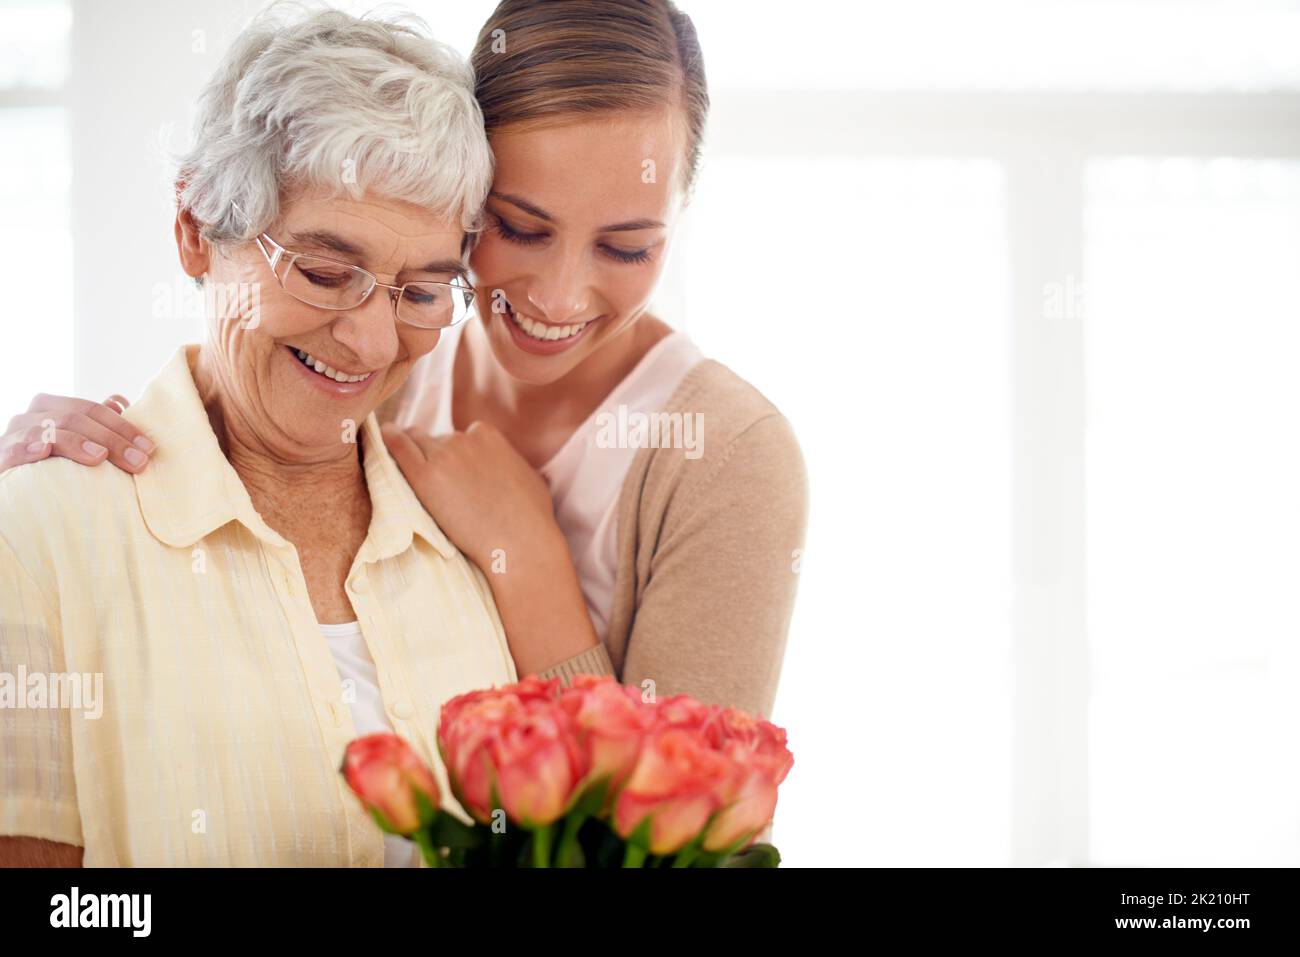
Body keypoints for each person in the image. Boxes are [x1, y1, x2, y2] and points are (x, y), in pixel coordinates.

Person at [1, 0, 808, 723]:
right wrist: (65, 468)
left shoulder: (727, 456)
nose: (560, 298)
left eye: (627, 245)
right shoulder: (384, 368)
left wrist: (530, 572)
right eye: (519, 229)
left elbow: (701, 844)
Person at [0, 6, 508, 867]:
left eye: (420, 291)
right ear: (197, 230)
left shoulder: (469, 533)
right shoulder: (39, 534)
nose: (374, 343)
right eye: (324, 271)